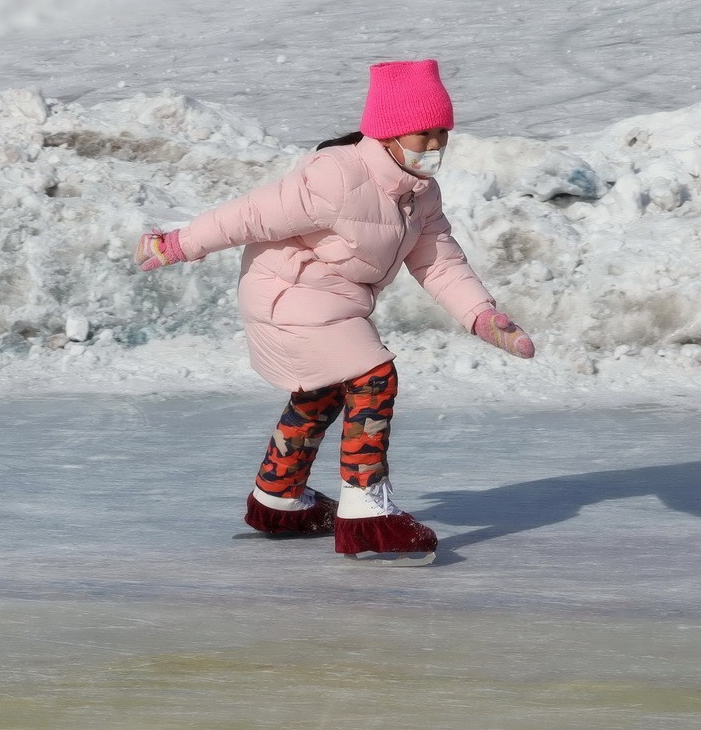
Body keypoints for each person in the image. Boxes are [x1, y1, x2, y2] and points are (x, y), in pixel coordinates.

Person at [134, 59, 535, 557]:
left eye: (442, 133)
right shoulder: (337, 176)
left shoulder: (420, 192)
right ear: (388, 132)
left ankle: (278, 497)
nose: (434, 145)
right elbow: (249, 215)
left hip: (333, 303)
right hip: (287, 295)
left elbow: (438, 261)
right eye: (423, 133)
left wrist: (481, 315)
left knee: (322, 392)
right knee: (374, 376)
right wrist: (176, 244)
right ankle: (367, 511)